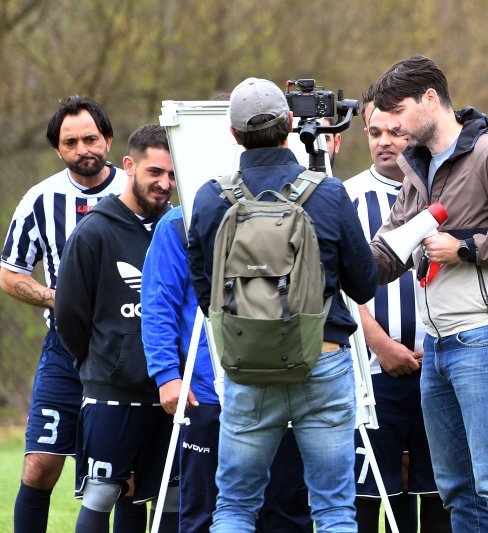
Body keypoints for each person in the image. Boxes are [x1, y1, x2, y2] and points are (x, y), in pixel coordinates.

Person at [369, 55, 488, 532]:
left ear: (430, 100)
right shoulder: (416, 166)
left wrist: (468, 248)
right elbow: (387, 253)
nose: (391, 128)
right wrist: (331, 257)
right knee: (456, 487)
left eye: (398, 113)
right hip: (436, 346)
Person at [187, 77, 377, 532]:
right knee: (333, 509)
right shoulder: (327, 194)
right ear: (290, 123)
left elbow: (205, 287)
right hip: (322, 362)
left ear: (232, 134)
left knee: (234, 506)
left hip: (249, 368)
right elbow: (365, 283)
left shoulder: (212, 198)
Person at [0, 95, 136, 533]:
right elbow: (9, 271)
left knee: (127, 474)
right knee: (40, 465)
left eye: (91, 138)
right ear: (58, 149)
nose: (83, 149)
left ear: (109, 140)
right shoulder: (40, 198)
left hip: (127, 346)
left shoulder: (136, 191)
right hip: (65, 348)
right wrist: (54, 297)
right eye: (71, 141)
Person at [141, 206, 313, 532]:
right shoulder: (180, 221)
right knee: (206, 513)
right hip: (207, 392)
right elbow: (159, 301)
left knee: (285, 512)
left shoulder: (291, 210)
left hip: (281, 386)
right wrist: (167, 375)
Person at [54, 123, 178, 532]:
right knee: (103, 492)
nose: (164, 184)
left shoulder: (180, 229)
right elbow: (70, 317)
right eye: (155, 172)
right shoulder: (94, 231)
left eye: (172, 174)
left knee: (170, 498)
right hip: (113, 391)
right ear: (129, 165)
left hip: (172, 394)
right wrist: (105, 363)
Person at [344, 88, 450, 533]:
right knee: (372, 498)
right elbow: (336, 285)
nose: (384, 141)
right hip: (372, 374)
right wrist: (381, 344)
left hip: (439, 366)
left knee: (440, 497)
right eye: (374, 132)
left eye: (395, 131)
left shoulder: (446, 189)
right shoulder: (345, 198)